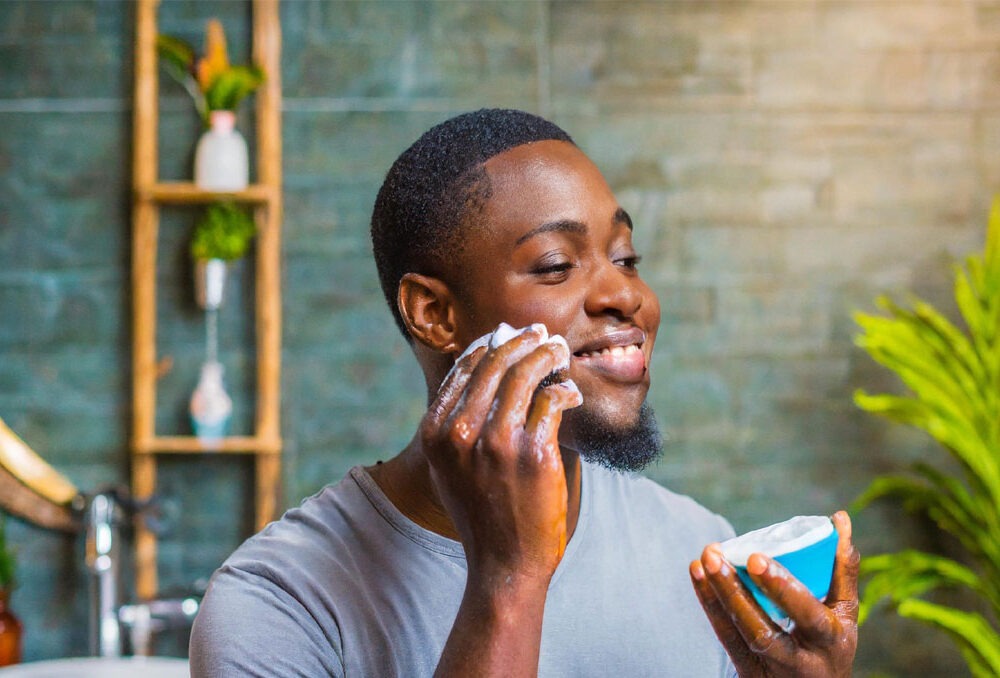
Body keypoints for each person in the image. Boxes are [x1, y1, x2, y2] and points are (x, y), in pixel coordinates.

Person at [189, 109, 859, 677]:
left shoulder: (700, 552)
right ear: (434, 314)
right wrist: (508, 580)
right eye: (556, 266)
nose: (625, 295)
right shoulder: (277, 607)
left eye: (626, 259)